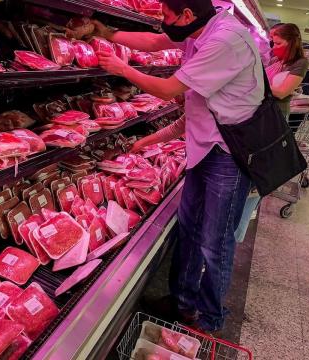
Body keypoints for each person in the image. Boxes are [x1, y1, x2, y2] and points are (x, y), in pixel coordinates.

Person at [92, 0, 264, 333]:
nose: (162, 22)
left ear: (186, 15)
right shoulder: (199, 30)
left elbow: (169, 88)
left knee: (216, 242)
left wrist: (123, 68)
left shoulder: (225, 40)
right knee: (190, 228)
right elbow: (156, 42)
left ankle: (210, 318)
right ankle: (182, 301)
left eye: (166, 16)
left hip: (229, 154)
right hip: (205, 145)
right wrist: (109, 32)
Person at [266, 23, 309, 118]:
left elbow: (282, 93)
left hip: (276, 114)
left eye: (278, 43)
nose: (273, 47)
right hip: (262, 109)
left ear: (291, 43)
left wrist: (255, 84)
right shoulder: (275, 60)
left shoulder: (301, 63)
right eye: (273, 43)